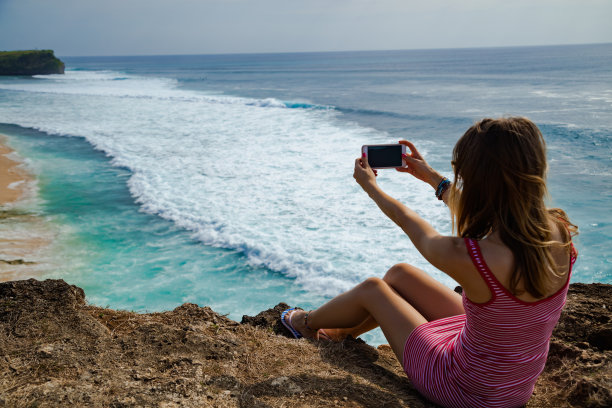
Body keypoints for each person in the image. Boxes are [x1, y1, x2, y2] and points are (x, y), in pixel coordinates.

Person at [280, 117, 578, 408]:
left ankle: (304, 324)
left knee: (373, 289)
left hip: (463, 390)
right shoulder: (558, 231)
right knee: (400, 274)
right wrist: (433, 178)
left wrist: (370, 186)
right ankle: (342, 333)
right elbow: (495, 211)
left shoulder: (474, 258)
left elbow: (408, 221)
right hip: (512, 386)